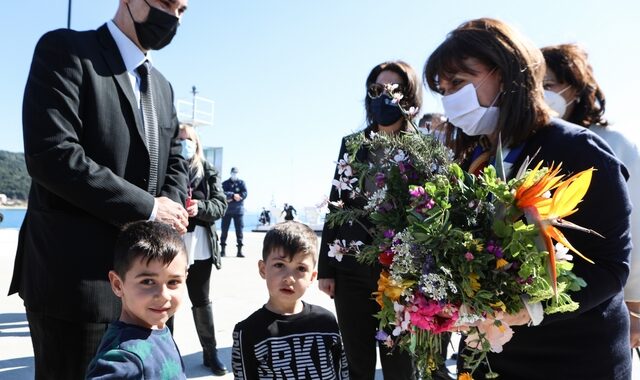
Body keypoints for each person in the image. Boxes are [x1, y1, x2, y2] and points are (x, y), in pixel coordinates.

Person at [424, 18, 632, 379]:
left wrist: (533, 307)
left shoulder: (576, 149)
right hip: (499, 358)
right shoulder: (474, 156)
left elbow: (610, 266)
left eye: (459, 82)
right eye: (442, 89)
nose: (449, 98)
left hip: (578, 359)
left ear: (505, 73)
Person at [8, 1, 190, 378]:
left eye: (182, 9)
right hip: (77, 287)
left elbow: (175, 163)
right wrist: (149, 208)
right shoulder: (66, 51)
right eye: (165, 3)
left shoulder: (163, 88)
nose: (173, 17)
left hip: (151, 291)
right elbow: (52, 154)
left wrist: (169, 208)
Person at [318, 60, 420, 380]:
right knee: (357, 363)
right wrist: (326, 268)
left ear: (409, 95)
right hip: (350, 273)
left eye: (394, 89)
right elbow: (337, 205)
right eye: (376, 89)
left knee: (400, 366)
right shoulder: (351, 145)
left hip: (401, 278)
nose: (384, 96)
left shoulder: (424, 148)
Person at [541, 43, 640, 350]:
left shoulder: (612, 143)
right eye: (535, 86)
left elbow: (634, 228)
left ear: (576, 88)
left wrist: (634, 304)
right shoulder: (537, 144)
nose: (542, 94)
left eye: (550, 85)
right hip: (555, 305)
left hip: (611, 300)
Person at [232, 221, 349, 379]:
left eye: (301, 269)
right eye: (279, 265)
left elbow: (341, 371)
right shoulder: (247, 331)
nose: (289, 278)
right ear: (263, 269)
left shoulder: (326, 321)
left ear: (312, 277)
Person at [86, 221, 188, 379]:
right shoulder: (123, 359)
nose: (164, 295)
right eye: (147, 282)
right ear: (118, 284)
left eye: (173, 282)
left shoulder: (158, 328)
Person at [178, 124, 229, 375]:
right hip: (173, 243)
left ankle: (210, 353)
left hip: (199, 244)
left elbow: (221, 205)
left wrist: (201, 207)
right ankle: (168, 354)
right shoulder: (168, 167)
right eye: (179, 140)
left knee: (201, 300)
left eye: (188, 140)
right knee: (167, 299)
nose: (184, 144)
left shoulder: (207, 170)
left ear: (197, 143)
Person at [221, 167, 247, 257]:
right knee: (224, 230)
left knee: (239, 231)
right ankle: (223, 250)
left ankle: (239, 251)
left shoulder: (241, 183)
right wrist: (232, 195)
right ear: (230, 173)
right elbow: (222, 193)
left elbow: (245, 193)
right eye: (233, 173)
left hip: (238, 211)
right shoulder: (225, 183)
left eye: (236, 173)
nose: (234, 174)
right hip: (227, 211)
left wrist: (239, 196)